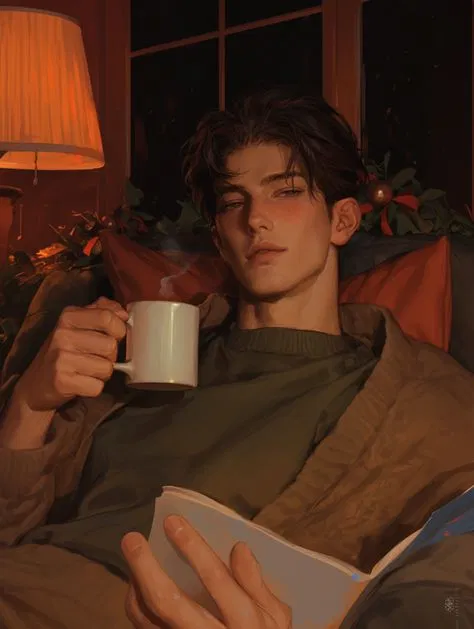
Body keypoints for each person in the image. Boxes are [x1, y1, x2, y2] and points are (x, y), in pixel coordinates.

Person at [0, 87, 474, 629]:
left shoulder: (418, 395)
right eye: (232, 202)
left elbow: (451, 581)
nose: (256, 219)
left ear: (342, 221)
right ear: (220, 238)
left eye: (286, 191)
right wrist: (30, 404)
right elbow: (10, 522)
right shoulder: (144, 355)